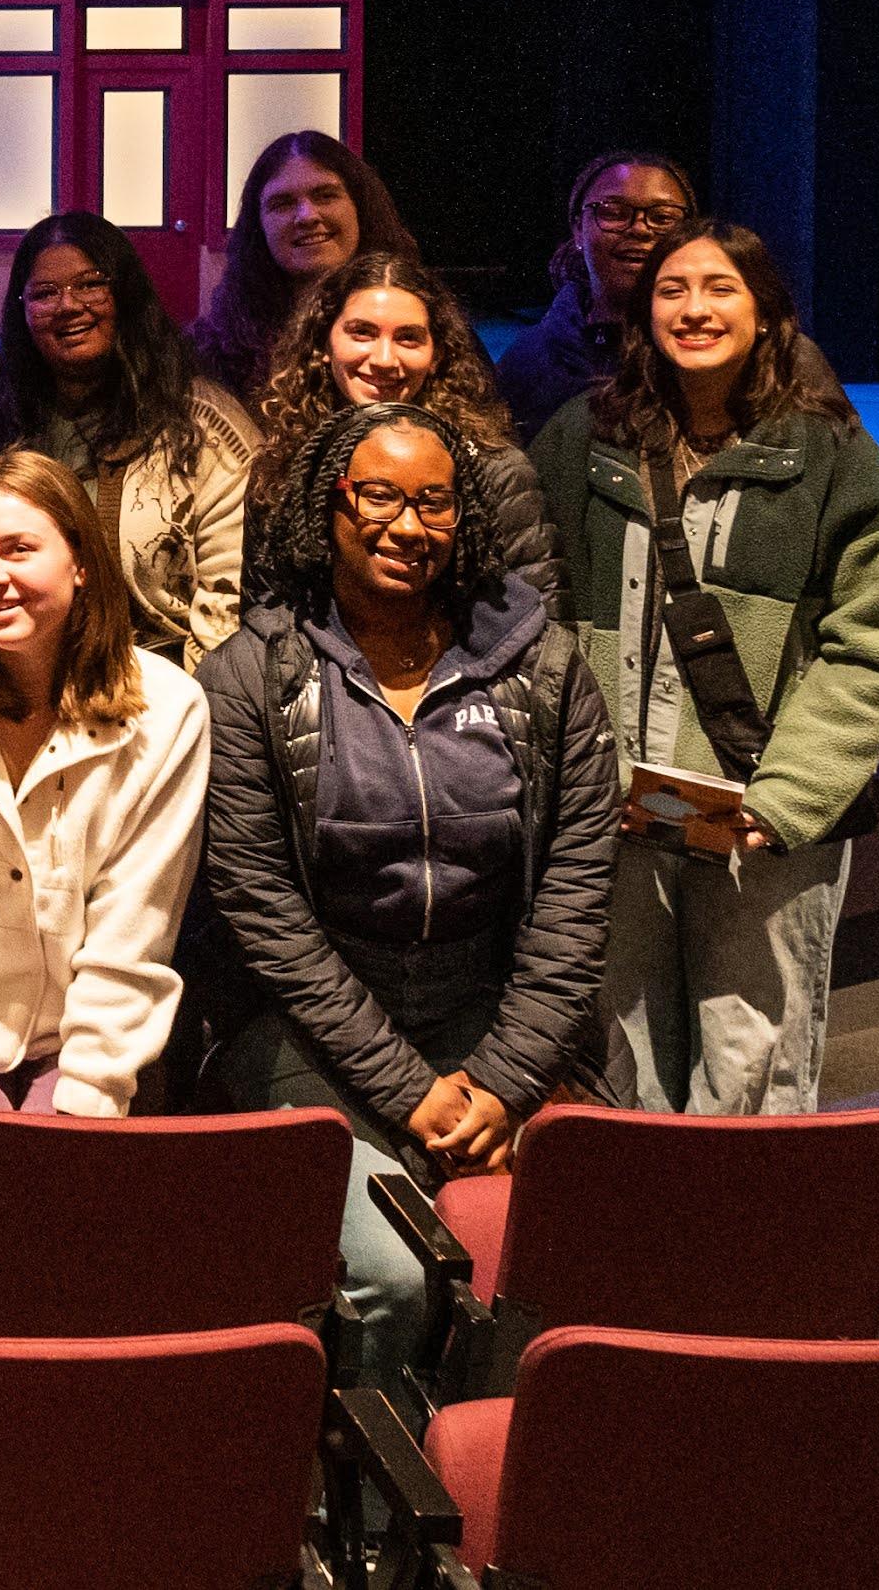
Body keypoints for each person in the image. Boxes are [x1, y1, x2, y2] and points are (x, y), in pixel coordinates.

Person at [194, 403, 616, 1378]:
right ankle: (379, 1508)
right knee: (391, 1273)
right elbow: (263, 911)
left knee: (594, 1251)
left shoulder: (545, 669)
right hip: (314, 1033)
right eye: (377, 494)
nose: (407, 523)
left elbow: (575, 895)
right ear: (325, 507)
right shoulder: (250, 677)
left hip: (505, 1017)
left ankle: (521, 1498)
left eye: (433, 500)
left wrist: (506, 1077)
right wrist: (408, 1090)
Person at [534, 220, 879, 1114]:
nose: (694, 308)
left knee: (751, 1065)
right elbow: (530, 606)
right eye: (672, 290)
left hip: (761, 823)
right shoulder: (576, 440)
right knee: (613, 1056)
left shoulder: (829, 456)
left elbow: (876, 644)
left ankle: (739, 1252)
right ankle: (632, 1247)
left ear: (764, 314)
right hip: (617, 817)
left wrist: (787, 798)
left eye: (719, 288)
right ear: (642, 313)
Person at [0, 450, 211, 1139]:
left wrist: (81, 1106)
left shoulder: (169, 708)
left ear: (80, 560)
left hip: (102, 1059)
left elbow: (132, 938)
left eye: (18, 549)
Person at [0, 212, 258, 661]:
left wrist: (177, 708)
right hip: (23, 680)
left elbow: (229, 604)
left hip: (173, 686)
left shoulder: (204, 426)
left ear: (126, 294)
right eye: (44, 293)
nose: (69, 305)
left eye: (90, 284)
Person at [246, 249, 556, 600]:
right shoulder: (283, 468)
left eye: (408, 337)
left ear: (437, 354)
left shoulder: (496, 473)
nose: (383, 360)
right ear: (324, 344)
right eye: (362, 333)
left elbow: (544, 626)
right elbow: (261, 616)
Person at [186, 130, 419, 404]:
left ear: (361, 208)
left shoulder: (426, 330)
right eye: (282, 203)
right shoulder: (212, 352)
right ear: (258, 227)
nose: (307, 216)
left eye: (325, 195)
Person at [494, 151, 701, 435]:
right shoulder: (529, 361)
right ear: (578, 228)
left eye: (663, 217)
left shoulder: (714, 353)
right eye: (613, 212)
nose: (640, 228)